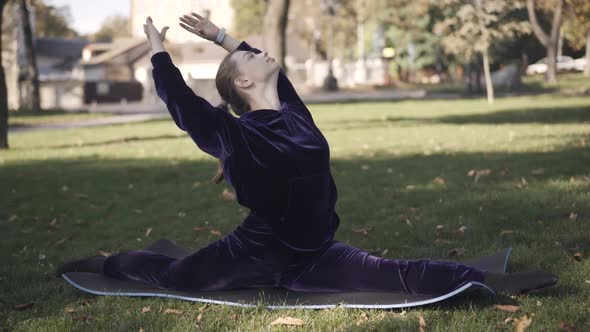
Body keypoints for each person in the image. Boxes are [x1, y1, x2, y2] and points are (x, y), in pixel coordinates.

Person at [56, 14, 558, 296]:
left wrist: (220, 37)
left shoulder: (295, 114)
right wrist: (157, 51)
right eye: (250, 56)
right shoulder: (236, 135)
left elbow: (276, 79)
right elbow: (184, 106)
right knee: (171, 277)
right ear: (244, 81)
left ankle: (491, 281)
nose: (260, 50)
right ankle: (109, 262)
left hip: (316, 253)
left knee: (396, 274)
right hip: (254, 252)